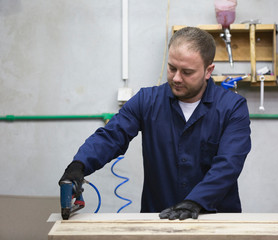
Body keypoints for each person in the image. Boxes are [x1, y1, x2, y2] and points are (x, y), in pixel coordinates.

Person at [59, 26, 251, 220]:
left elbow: (229, 163)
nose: (176, 78)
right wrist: (79, 165)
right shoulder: (147, 101)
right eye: (172, 68)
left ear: (208, 71)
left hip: (216, 218)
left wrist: (197, 201)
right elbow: (112, 135)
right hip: (160, 218)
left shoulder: (232, 107)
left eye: (187, 72)